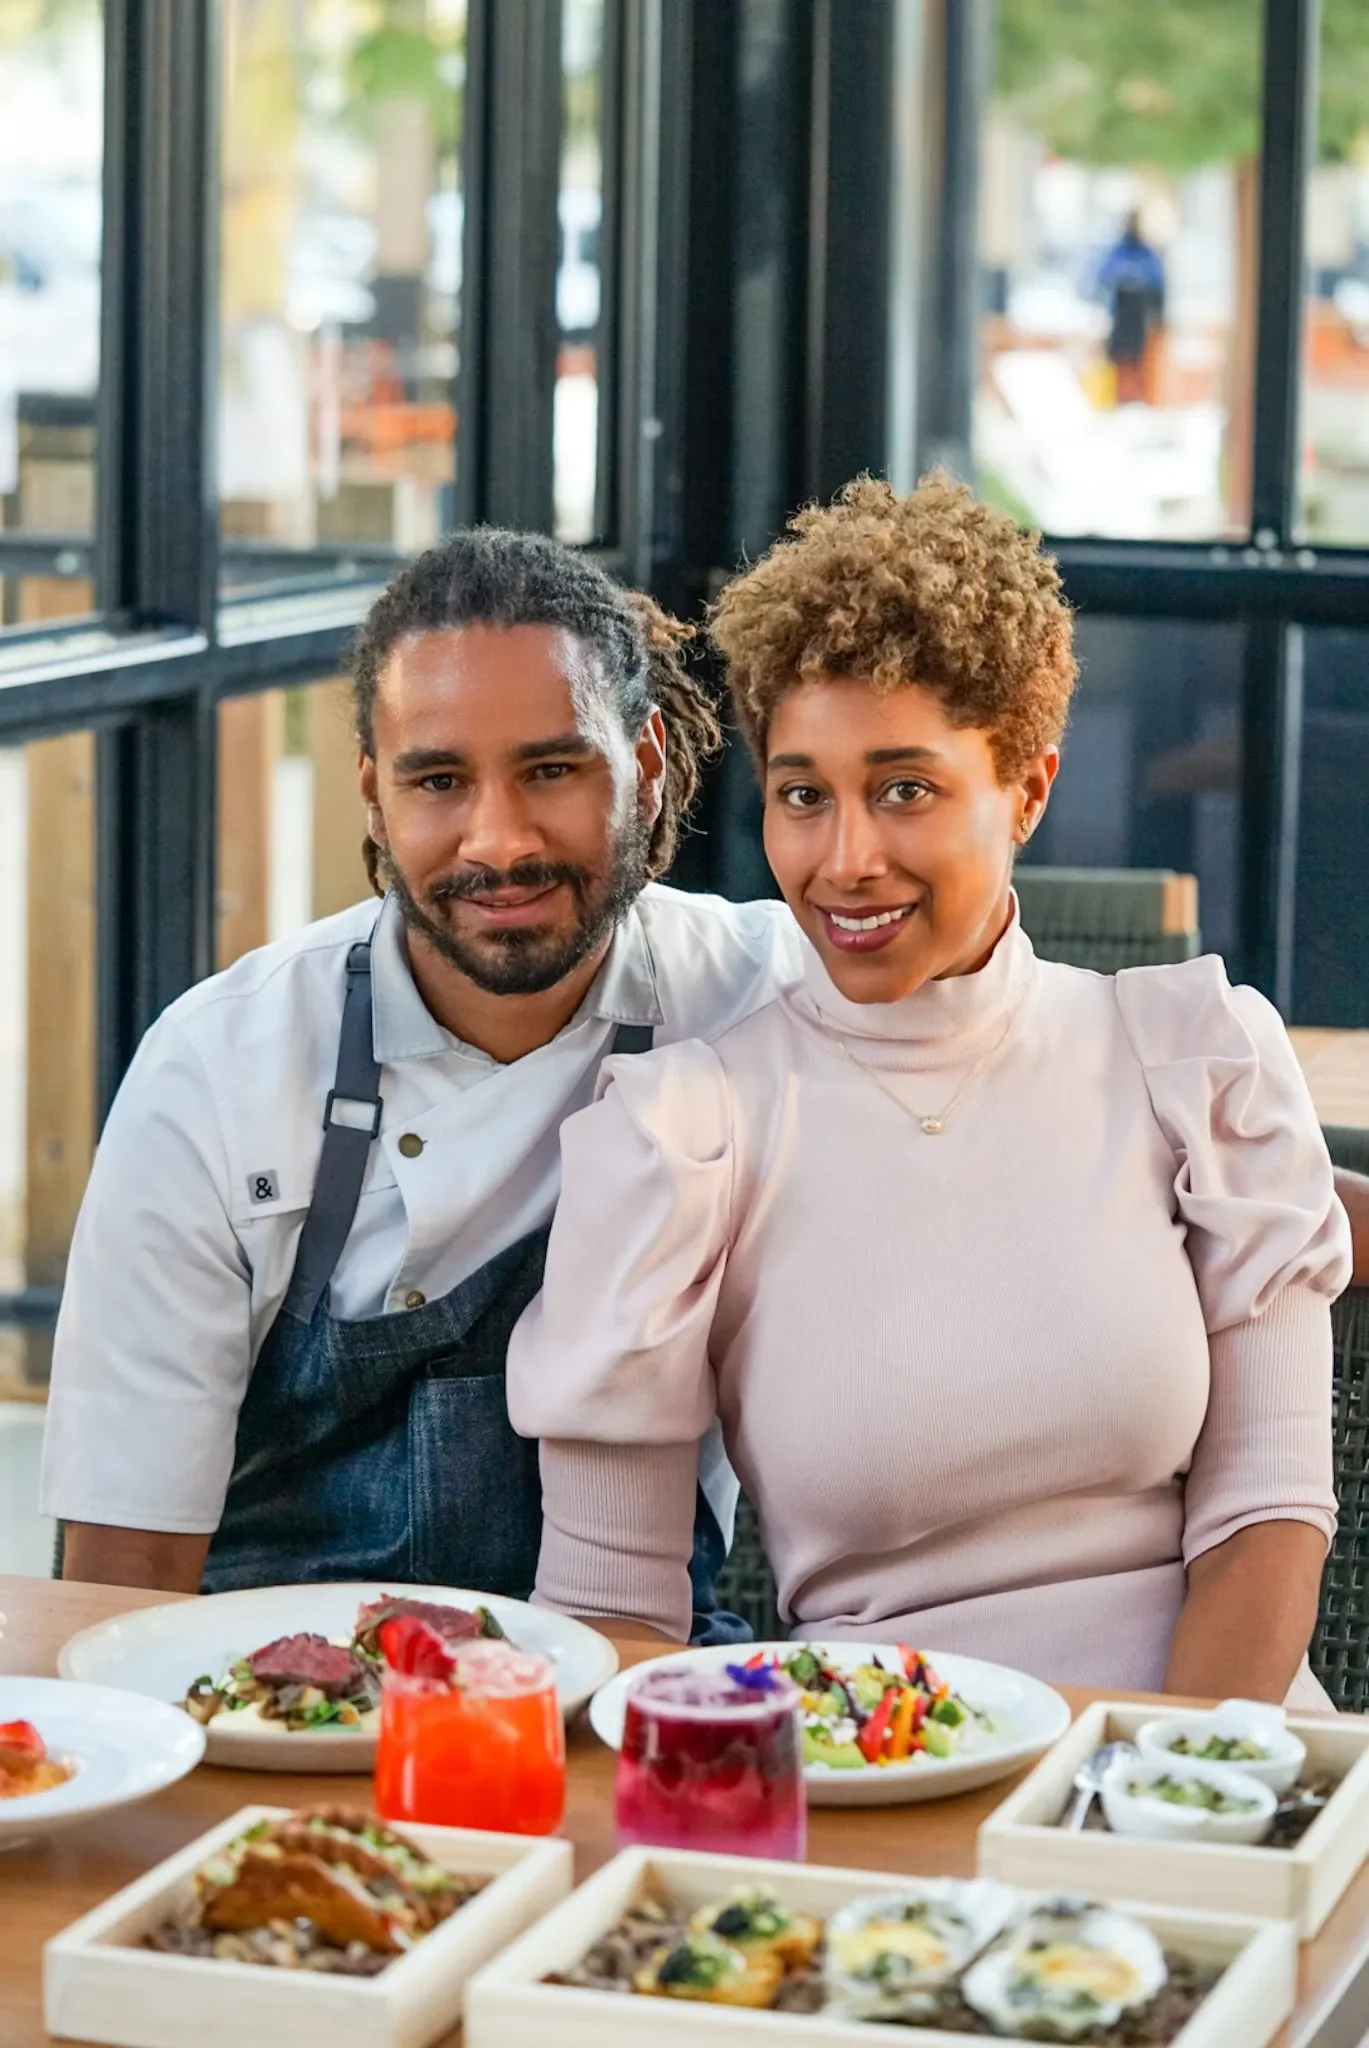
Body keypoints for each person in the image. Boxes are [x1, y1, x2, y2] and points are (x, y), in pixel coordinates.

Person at [507, 476, 1353, 1705]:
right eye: (804, 795)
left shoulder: (1194, 1061)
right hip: (875, 1792)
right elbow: (611, 1614)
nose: (846, 859)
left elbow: (1268, 1513)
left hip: (1205, 1772)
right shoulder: (683, 1133)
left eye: (906, 788)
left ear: (1027, 786)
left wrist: (1137, 1790)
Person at [40, 529, 801, 1629]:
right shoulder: (215, 1073)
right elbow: (120, 1574)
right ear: (374, 795)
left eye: (551, 768)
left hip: (629, 1693)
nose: (499, 840)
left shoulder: (762, 999)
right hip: (270, 1699)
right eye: (440, 780)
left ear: (643, 766)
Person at [1099, 211, 1165, 405]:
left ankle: (1137, 396)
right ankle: (1118, 397)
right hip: (1120, 315)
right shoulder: (1118, 251)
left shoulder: (1146, 253)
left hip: (1138, 316)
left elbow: (1156, 279)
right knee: (1119, 358)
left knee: (1139, 358)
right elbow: (1105, 275)